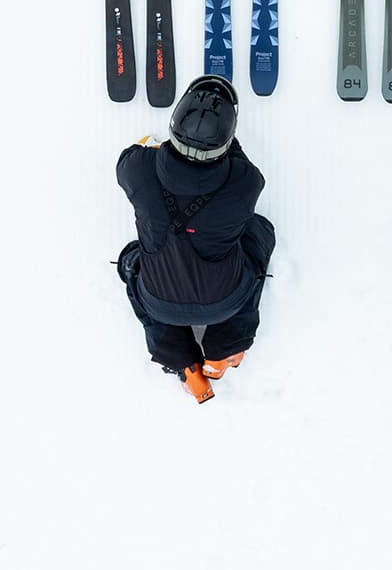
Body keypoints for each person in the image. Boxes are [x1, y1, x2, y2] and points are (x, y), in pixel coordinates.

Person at [115, 75, 275, 403]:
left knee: (131, 262)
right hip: (225, 301)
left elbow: (128, 156)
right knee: (260, 234)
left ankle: (181, 361)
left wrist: (160, 151)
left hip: (158, 299)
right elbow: (241, 166)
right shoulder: (244, 184)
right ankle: (224, 351)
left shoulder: (139, 170)